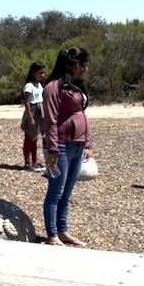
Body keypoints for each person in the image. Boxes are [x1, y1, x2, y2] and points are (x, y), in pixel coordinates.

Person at [41, 47, 93, 247]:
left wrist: (86, 142)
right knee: (55, 191)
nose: (87, 69)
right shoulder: (53, 87)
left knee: (67, 192)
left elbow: (81, 116)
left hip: (77, 146)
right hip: (60, 147)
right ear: (75, 65)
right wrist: (52, 149)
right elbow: (50, 120)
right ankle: (52, 234)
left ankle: (62, 231)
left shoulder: (76, 87)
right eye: (85, 65)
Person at [20, 62, 46, 171]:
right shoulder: (29, 86)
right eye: (40, 73)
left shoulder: (39, 85)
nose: (42, 75)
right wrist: (30, 118)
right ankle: (27, 162)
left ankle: (35, 161)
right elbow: (27, 103)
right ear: (33, 72)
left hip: (40, 112)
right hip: (33, 111)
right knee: (29, 139)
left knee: (35, 138)